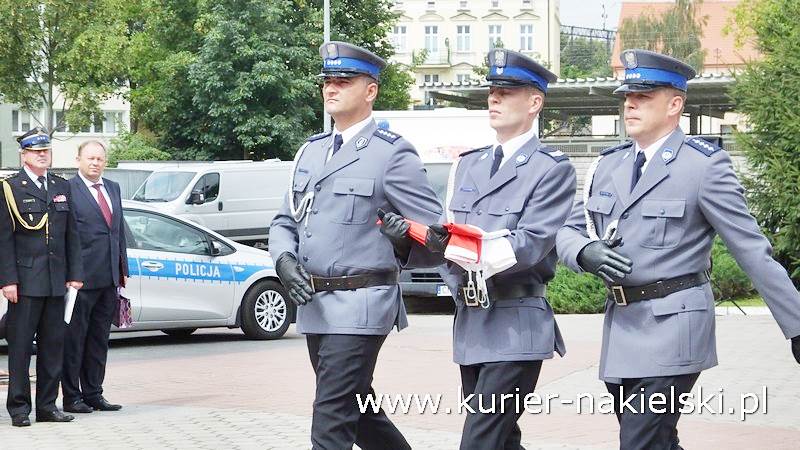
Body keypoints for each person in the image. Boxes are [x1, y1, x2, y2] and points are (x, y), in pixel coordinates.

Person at [555, 49, 800, 450]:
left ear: (675, 104)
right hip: (622, 327)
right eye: (627, 96)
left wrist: (796, 324)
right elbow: (567, 228)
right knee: (657, 441)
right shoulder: (607, 165)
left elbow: (751, 249)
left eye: (644, 96)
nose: (630, 104)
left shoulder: (703, 166)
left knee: (640, 441)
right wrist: (583, 252)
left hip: (674, 326)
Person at [268, 41, 443, 450]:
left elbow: (435, 233)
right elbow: (284, 221)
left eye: (343, 81)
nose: (331, 88)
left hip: (362, 302)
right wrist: (284, 260)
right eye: (327, 81)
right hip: (315, 305)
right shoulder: (311, 152)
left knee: (330, 417)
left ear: (370, 91)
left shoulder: (391, 154)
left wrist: (403, 241)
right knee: (361, 413)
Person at [416, 49, 577, 449]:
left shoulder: (552, 169)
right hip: (473, 322)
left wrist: (459, 248)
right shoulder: (466, 165)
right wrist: (425, 243)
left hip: (516, 324)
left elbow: (530, 244)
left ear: (534, 102)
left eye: (506, 91)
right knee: (502, 441)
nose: (494, 98)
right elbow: (447, 235)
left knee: (479, 442)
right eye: (492, 91)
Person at [0, 128, 84, 427]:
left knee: (52, 347)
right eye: (36, 152)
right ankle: (19, 409)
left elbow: (71, 233)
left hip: (55, 281)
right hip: (24, 282)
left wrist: (75, 274)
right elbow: (4, 238)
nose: (42, 155)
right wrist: (7, 279)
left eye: (45, 151)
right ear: (24, 154)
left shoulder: (61, 186)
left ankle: (48, 406)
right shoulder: (10, 188)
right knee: (21, 348)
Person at [62, 140, 128, 414]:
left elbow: (118, 232)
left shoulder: (113, 188)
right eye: (90, 158)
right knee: (75, 340)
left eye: (100, 159)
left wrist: (123, 269)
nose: (95, 163)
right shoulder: (67, 189)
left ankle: (94, 393)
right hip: (81, 279)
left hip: (109, 278)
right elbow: (65, 236)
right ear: (78, 159)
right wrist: (70, 274)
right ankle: (72, 397)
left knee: (99, 340)